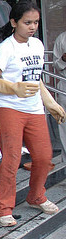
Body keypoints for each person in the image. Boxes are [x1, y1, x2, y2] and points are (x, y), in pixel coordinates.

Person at [0, 0, 65, 227]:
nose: (32, 27)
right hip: (9, 109)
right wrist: (13, 88)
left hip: (34, 110)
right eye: (27, 22)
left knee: (43, 157)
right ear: (14, 22)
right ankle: (2, 207)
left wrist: (49, 103)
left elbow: (35, 78)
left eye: (36, 23)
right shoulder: (5, 48)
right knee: (12, 159)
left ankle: (36, 196)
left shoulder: (37, 45)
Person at [52, 30, 66, 162]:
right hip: (65, 85)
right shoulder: (62, 38)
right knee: (64, 125)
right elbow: (55, 63)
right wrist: (63, 59)